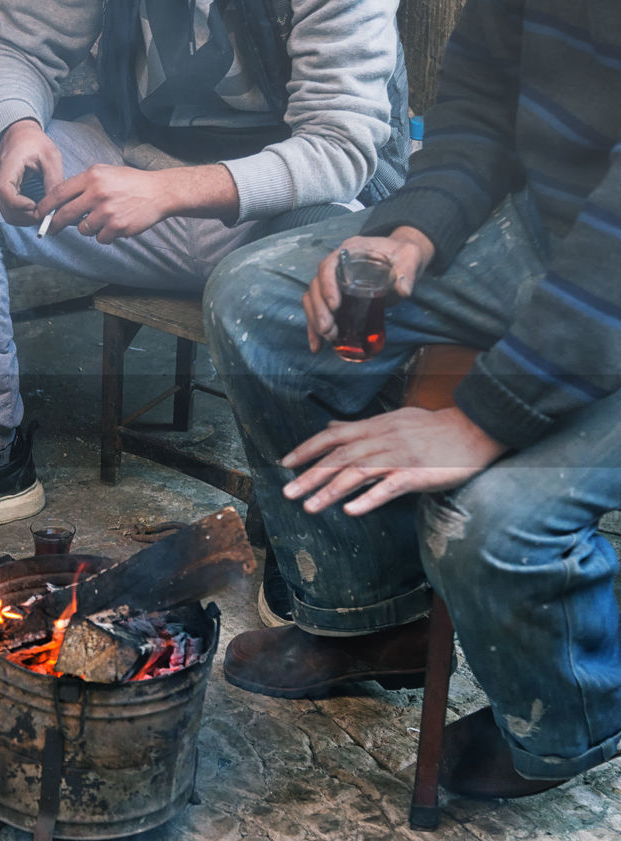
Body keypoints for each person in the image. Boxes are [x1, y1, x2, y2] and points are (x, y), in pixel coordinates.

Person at [204, 0, 621, 798]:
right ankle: (372, 617)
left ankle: (570, 720)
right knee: (256, 300)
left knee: (488, 523)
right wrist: (414, 233)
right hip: (546, 228)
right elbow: (478, 108)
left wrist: (481, 420)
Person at [0, 0, 410, 560]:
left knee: (349, 262)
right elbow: (18, 45)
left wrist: (168, 193)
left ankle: (310, 526)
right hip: (131, 168)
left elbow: (341, 143)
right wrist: (16, 127)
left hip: (283, 207)